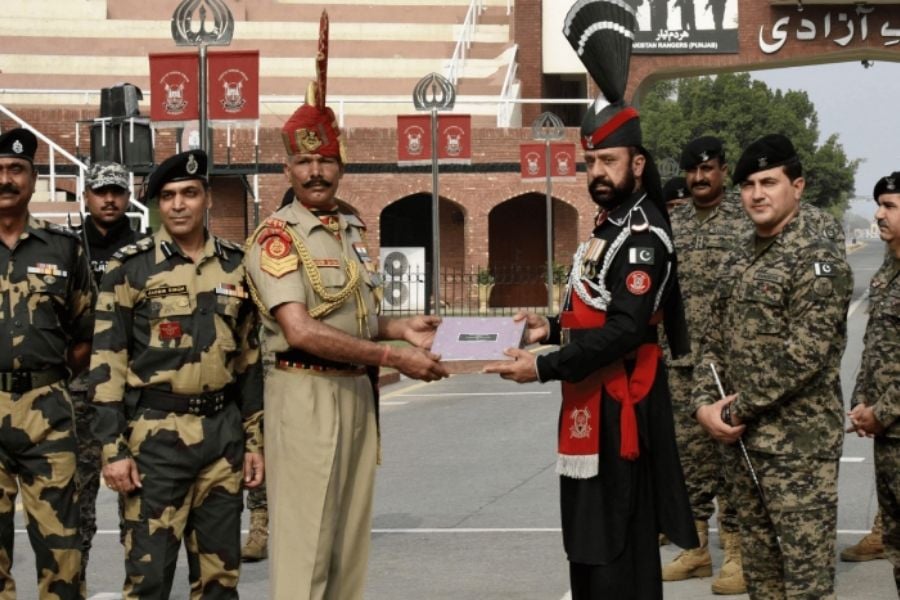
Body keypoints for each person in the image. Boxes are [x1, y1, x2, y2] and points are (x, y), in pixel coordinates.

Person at [486, 7, 697, 593]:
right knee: (589, 542)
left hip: (621, 402)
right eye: (591, 162)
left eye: (608, 161)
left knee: (614, 548)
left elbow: (627, 329)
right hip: (593, 396)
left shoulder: (642, 236)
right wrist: (545, 328)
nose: (597, 172)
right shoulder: (610, 224)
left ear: (638, 163)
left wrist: (546, 364)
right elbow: (592, 310)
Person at [242, 11, 447, 599]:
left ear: (341, 163)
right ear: (287, 168)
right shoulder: (278, 236)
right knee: (305, 550)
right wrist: (393, 357)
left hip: (356, 394)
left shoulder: (350, 228)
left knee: (348, 549)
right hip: (304, 395)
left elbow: (349, 313)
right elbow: (302, 331)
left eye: (325, 160)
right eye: (304, 162)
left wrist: (400, 327)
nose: (315, 172)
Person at [87, 150, 264, 599]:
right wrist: (113, 451)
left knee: (220, 583)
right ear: (156, 206)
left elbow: (248, 360)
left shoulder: (237, 266)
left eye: (189, 193)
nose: (179, 205)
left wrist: (254, 442)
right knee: (148, 580)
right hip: (154, 443)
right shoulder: (130, 268)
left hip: (222, 439)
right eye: (168, 196)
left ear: (208, 199)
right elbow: (107, 365)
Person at [693, 134, 852, 599]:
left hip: (797, 450)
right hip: (743, 449)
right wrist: (705, 404)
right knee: (762, 581)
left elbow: (805, 352)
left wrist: (733, 412)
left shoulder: (816, 256)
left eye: (769, 181)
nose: (756, 194)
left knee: (805, 585)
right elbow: (712, 339)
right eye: (747, 184)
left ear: (797, 186)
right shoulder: (740, 255)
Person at [0, 127, 95, 598]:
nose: (6, 179)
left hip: (48, 412)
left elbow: (86, 332)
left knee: (61, 548)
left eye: (16, 169)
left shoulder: (64, 248)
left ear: (33, 179)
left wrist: (49, 379)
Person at [661, 136, 749, 595]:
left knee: (730, 457)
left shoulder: (744, 219)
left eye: (708, 169)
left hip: (728, 364)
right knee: (689, 461)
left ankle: (737, 552)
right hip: (680, 362)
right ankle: (695, 549)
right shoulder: (673, 228)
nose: (699, 178)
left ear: (722, 170)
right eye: (693, 171)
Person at [68, 160, 145, 581]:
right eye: (101, 192)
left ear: (128, 195)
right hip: (76, 390)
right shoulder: (64, 248)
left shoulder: (143, 250)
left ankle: (140, 587)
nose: (109, 199)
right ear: (86, 197)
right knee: (76, 505)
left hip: (129, 391)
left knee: (137, 503)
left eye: (117, 191)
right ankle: (73, 585)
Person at [847, 170, 900, 593]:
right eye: (878, 205)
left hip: (893, 422)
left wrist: (881, 412)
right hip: (888, 436)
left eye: (890, 207)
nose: (878, 214)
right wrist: (862, 402)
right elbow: (875, 344)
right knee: (895, 544)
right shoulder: (889, 268)